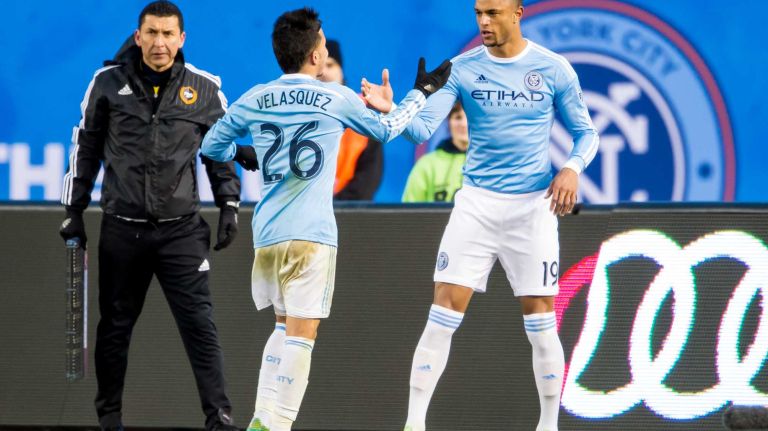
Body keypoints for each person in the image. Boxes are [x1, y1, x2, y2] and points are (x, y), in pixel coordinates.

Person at [200, 8, 451, 430]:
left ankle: (262, 418)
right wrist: (421, 93)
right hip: (311, 235)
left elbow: (211, 145)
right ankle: (277, 424)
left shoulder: (256, 97)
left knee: (281, 328)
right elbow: (387, 131)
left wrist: (246, 154)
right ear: (316, 55)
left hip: (268, 235)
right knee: (302, 334)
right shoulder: (335, 96)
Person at [363, 0, 599, 429]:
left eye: (493, 12)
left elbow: (587, 132)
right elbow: (417, 130)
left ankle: (549, 424)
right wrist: (395, 107)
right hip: (476, 205)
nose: (484, 22)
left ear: (518, 13)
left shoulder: (553, 68)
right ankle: (414, 424)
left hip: (532, 207)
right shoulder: (462, 67)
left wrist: (571, 168)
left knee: (541, 318)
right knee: (441, 313)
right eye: (478, 13)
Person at [58, 2, 247, 430]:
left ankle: (219, 420)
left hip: (181, 233)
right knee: (114, 329)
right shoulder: (105, 84)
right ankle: (109, 420)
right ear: (138, 35)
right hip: (122, 232)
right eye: (152, 33)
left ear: (182, 39)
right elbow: (84, 149)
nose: (159, 43)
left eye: (168, 34)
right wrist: (73, 210)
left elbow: (220, 153)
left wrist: (229, 205)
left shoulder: (204, 87)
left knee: (201, 327)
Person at [321, 39, 385, 201]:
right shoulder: (296, 115)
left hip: (349, 216)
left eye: (330, 65)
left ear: (341, 71)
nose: (325, 73)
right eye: (319, 68)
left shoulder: (363, 115)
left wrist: (333, 209)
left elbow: (368, 178)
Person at [402, 102, 468, 202]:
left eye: (469, 118)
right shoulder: (426, 164)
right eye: (458, 117)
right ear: (449, 122)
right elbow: (409, 212)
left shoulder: (490, 163)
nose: (464, 124)